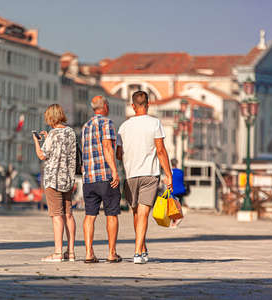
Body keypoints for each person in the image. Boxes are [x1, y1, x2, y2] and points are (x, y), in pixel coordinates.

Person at [116, 91, 173, 264]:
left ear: (133, 106)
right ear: (148, 105)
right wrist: (168, 174)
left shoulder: (124, 126)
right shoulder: (155, 123)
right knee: (142, 214)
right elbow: (161, 150)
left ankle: (140, 249)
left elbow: (118, 154)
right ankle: (138, 251)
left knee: (137, 213)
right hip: (149, 173)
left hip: (131, 174)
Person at [33, 104, 77, 262]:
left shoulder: (52, 134)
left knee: (57, 216)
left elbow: (42, 155)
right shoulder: (71, 132)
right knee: (69, 215)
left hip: (53, 179)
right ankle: (70, 252)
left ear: (50, 117)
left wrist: (37, 142)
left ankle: (58, 253)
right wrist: (48, 138)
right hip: (68, 178)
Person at [81, 95, 122, 263]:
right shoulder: (107, 123)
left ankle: (89, 253)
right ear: (105, 106)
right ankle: (111, 253)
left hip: (89, 178)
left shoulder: (85, 126)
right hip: (105, 176)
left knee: (90, 215)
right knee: (111, 214)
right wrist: (114, 171)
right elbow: (107, 146)